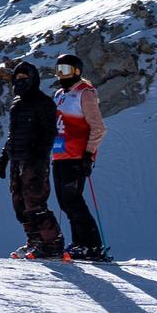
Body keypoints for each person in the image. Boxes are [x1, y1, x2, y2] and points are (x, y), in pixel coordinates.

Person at [0, 59, 65, 259]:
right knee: (20, 205)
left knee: (35, 203)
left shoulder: (43, 102)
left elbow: (50, 132)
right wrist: (4, 158)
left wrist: (39, 154)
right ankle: (35, 241)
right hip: (17, 160)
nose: (21, 81)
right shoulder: (17, 104)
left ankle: (52, 245)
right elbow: (13, 134)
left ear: (34, 79)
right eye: (17, 78)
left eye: (25, 78)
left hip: (34, 162)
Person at [50, 52, 109, 260]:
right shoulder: (59, 94)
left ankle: (92, 245)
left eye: (65, 70)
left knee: (73, 201)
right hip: (59, 154)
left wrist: (88, 154)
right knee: (65, 203)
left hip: (76, 155)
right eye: (58, 70)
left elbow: (98, 127)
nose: (61, 74)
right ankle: (79, 244)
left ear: (76, 71)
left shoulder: (85, 93)